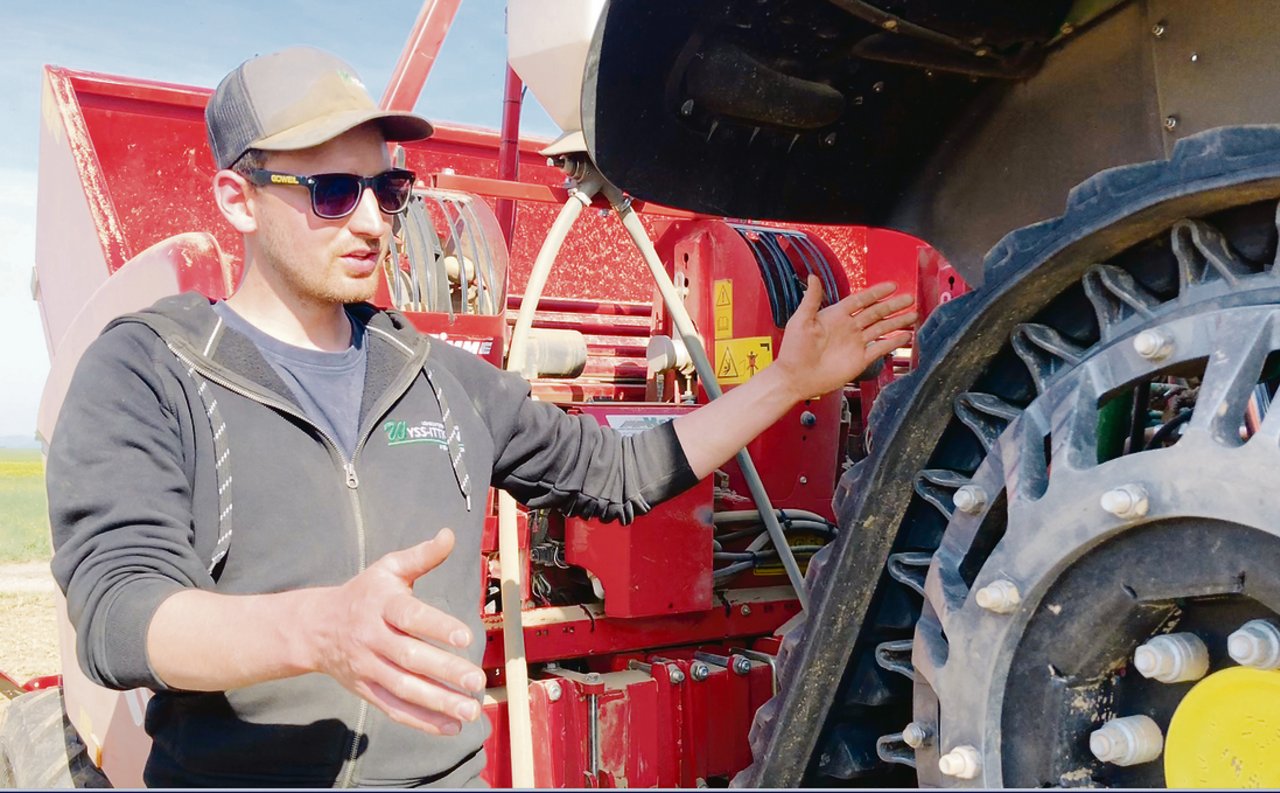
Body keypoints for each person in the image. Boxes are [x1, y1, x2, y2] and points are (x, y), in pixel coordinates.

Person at [46, 46, 915, 788]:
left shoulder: (440, 380)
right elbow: (121, 613)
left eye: (387, 191)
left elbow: (618, 476)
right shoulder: (150, 369)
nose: (372, 224)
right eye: (332, 191)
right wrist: (314, 630)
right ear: (239, 200)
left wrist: (789, 380)